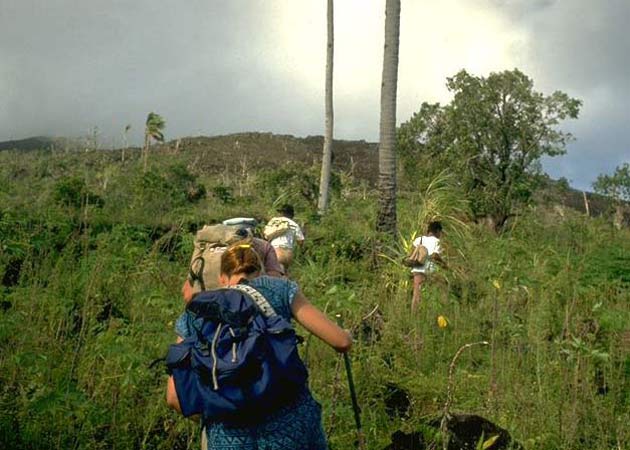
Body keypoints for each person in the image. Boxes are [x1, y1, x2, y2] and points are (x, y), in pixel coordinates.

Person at [167, 242, 352, 449]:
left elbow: (174, 398)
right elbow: (341, 342)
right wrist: (347, 335)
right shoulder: (280, 289)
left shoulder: (195, 312)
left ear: (222, 278)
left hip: (228, 436)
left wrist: (218, 416)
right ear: (261, 271)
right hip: (291, 428)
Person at [410, 221, 447, 312]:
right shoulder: (437, 242)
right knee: (439, 290)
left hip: (417, 269)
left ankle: (413, 317)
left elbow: (412, 254)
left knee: (416, 295)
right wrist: (444, 265)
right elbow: (435, 256)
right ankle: (439, 312)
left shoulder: (419, 239)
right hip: (430, 271)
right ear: (438, 231)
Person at [267, 204, 305, 272]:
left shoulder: (274, 221)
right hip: (288, 253)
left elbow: (266, 234)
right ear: (291, 214)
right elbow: (301, 241)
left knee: (271, 274)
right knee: (285, 274)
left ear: (282, 213)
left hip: (276, 251)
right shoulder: (294, 224)